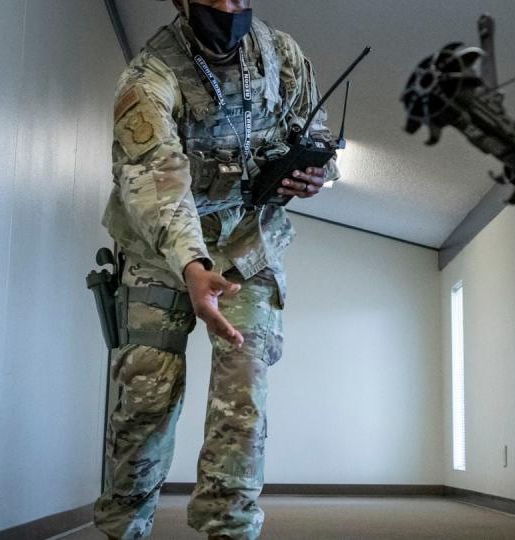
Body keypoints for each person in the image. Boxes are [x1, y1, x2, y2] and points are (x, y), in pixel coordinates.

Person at [93, 0, 337, 538]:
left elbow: (314, 131)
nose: (230, 8)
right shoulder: (149, 76)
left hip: (248, 242)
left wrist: (316, 170)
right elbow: (156, 177)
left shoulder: (284, 56)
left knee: (242, 395)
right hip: (161, 246)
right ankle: (124, 525)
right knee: (146, 395)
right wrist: (191, 263)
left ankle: (230, 528)